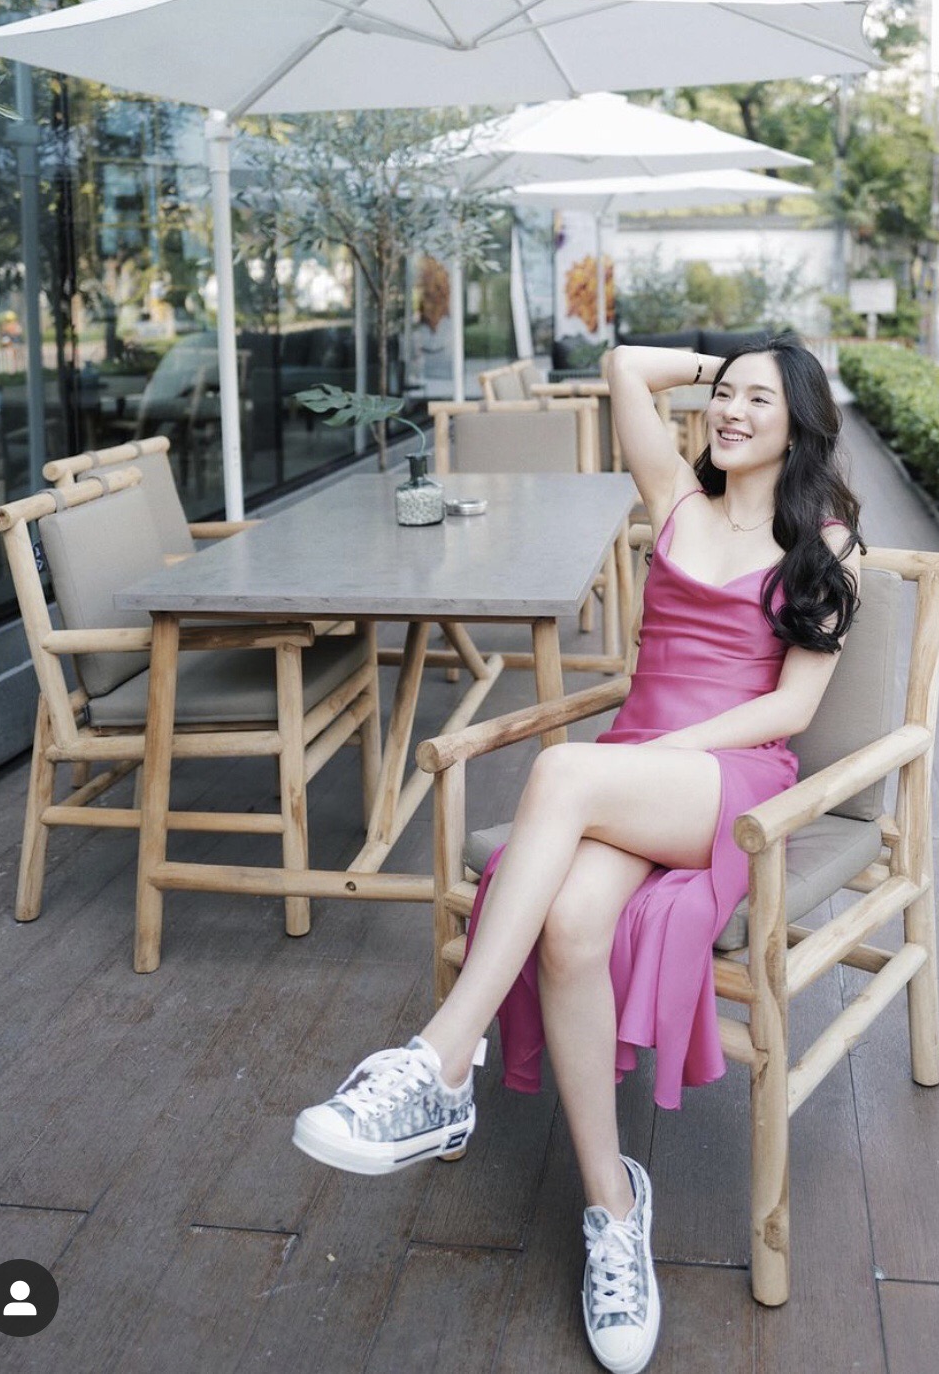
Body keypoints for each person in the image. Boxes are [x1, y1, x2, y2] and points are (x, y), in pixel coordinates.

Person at [293, 331, 862, 1373]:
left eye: (759, 401)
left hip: (728, 779)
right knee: (568, 927)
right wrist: (725, 363)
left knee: (561, 772)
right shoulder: (675, 497)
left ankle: (441, 1061)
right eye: (724, 395)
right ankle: (614, 1207)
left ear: (800, 428)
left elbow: (790, 707)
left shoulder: (825, 543)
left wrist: (662, 754)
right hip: (631, 779)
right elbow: (624, 366)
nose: (730, 412)